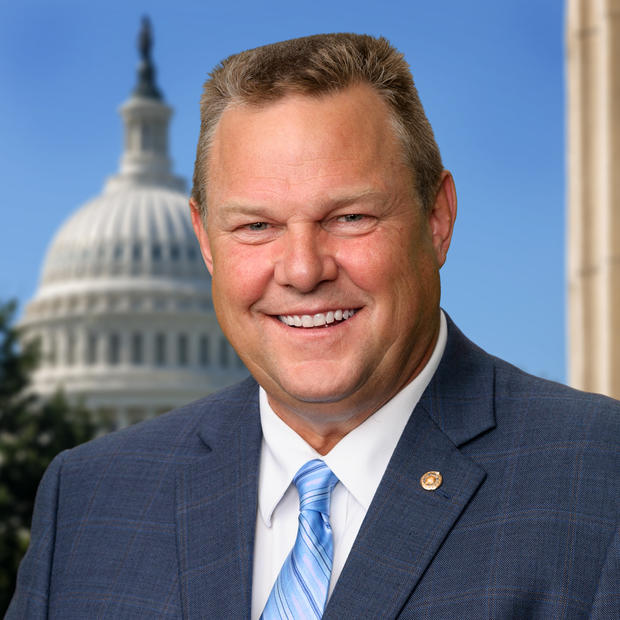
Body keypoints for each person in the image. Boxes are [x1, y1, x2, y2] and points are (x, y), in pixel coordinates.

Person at [8, 33, 619, 619]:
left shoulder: (599, 479)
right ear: (205, 241)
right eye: (256, 226)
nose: (302, 271)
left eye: (350, 216)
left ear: (438, 219)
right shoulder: (90, 501)